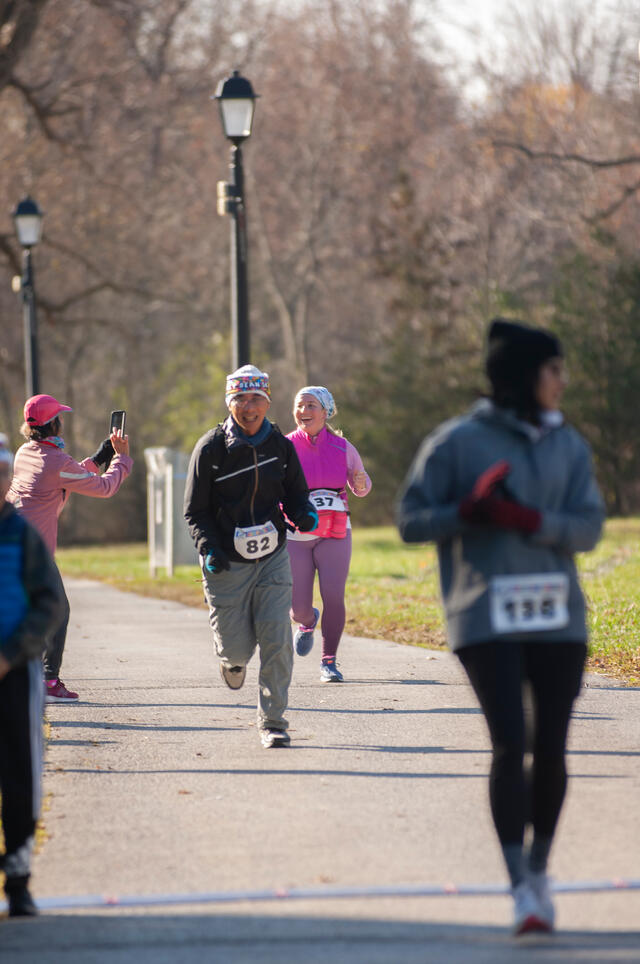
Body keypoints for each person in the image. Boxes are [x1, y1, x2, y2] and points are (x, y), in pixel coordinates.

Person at [396, 318, 604, 936]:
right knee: (511, 744)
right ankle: (521, 889)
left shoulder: (569, 445)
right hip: (484, 613)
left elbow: (589, 527)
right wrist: (467, 513)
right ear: (523, 377)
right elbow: (410, 519)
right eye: (553, 370)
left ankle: (540, 869)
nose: (562, 381)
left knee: (554, 749)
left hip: (559, 615)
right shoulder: (457, 442)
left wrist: (529, 518)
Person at [183, 365, 318, 749]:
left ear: (267, 401)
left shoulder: (280, 445)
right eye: (240, 398)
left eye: (256, 398)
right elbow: (194, 511)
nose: (248, 406)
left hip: (273, 556)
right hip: (225, 560)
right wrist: (208, 547)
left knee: (277, 637)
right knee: (237, 650)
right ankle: (232, 662)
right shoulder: (211, 448)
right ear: (230, 403)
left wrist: (303, 513)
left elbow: (295, 493)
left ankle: (273, 721)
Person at [7, 394, 133, 702]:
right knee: (57, 609)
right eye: (59, 418)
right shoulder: (56, 462)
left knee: (26, 612)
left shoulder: (26, 452)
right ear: (54, 423)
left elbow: (68, 475)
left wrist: (101, 454)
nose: (62, 422)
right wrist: (122, 459)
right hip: (32, 555)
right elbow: (103, 487)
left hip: (13, 545)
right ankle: (47, 682)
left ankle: (31, 676)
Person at [0, 439, 65, 916]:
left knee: (19, 772)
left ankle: (18, 876)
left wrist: (11, 656)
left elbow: (50, 604)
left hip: (14, 672)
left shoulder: (21, 536)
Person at [286, 387, 371, 682]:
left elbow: (361, 486)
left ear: (326, 412)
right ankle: (308, 623)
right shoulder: (285, 446)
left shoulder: (342, 447)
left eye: (310, 405)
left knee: (333, 595)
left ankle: (329, 661)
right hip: (297, 534)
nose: (303, 411)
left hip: (335, 530)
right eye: (299, 405)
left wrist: (361, 482)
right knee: (297, 609)